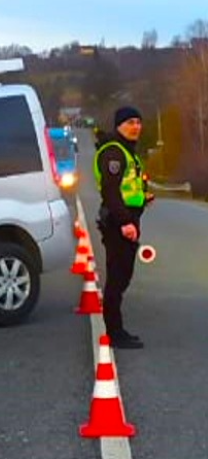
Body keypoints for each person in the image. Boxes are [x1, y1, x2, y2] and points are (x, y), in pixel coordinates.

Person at [94, 106, 155, 350]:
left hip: (127, 218)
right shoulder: (114, 153)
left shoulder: (128, 152)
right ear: (118, 125)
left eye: (139, 122)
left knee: (123, 275)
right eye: (130, 122)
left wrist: (142, 198)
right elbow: (110, 191)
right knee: (118, 277)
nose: (136, 127)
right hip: (119, 223)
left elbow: (127, 189)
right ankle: (114, 332)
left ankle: (115, 328)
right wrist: (125, 222)